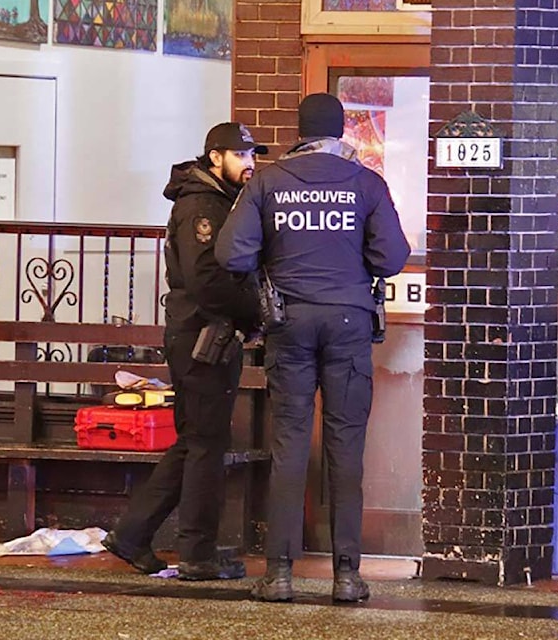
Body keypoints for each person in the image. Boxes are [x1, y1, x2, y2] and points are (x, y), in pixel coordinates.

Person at [215, 93, 411, 602]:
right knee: (346, 448)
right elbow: (391, 257)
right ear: (341, 130)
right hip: (348, 323)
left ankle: (279, 573)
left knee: (290, 444)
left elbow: (231, 253)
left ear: (299, 131)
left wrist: (274, 261)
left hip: (289, 324)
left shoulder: (268, 181)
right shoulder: (366, 183)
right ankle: (347, 576)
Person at [102, 122, 267, 581]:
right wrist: (255, 312)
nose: (250, 163)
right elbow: (207, 280)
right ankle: (197, 552)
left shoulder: (218, 199)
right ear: (216, 157)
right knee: (206, 445)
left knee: (196, 441)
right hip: (202, 337)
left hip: (201, 334)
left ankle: (133, 535)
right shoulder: (202, 204)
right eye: (241, 155)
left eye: (253, 155)